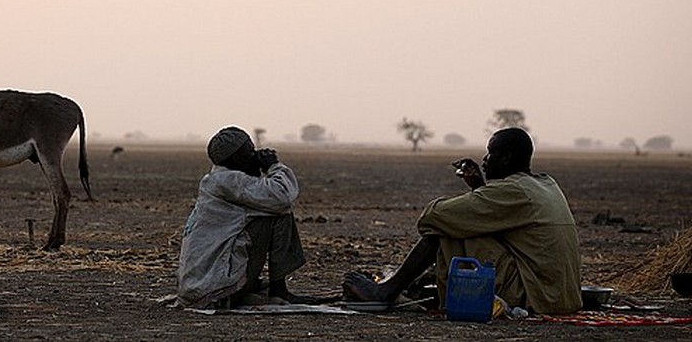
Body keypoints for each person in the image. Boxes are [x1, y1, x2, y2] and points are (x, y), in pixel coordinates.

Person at [343, 127, 582, 314]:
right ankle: (393, 287)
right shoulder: (544, 183)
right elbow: (500, 218)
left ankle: (386, 291)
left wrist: (479, 194)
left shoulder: (514, 191)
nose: (485, 159)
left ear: (506, 158)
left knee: (447, 230)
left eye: (491, 153)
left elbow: (432, 217)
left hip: (534, 296)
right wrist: (480, 188)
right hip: (559, 295)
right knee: (462, 223)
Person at [176, 126, 315, 308]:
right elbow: (282, 196)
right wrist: (274, 166)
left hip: (197, 287)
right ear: (237, 158)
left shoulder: (216, 180)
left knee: (270, 211)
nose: (255, 155)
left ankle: (265, 288)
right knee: (280, 214)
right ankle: (279, 289)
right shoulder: (230, 182)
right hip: (214, 288)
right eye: (250, 151)